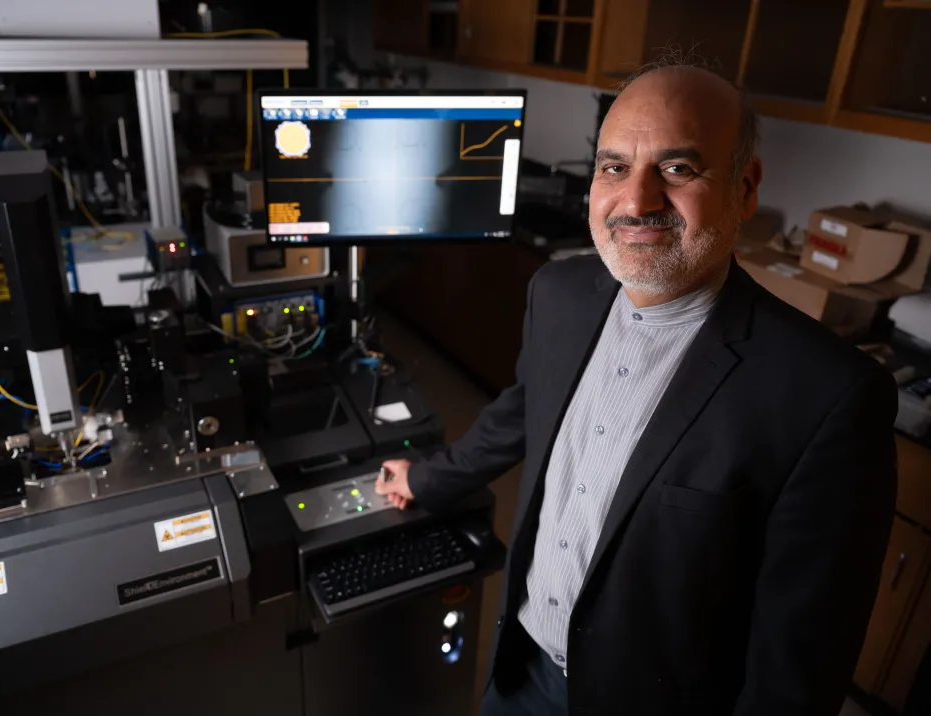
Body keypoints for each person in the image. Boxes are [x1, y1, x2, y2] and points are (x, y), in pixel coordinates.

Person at [375, 58, 898, 716]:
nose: (637, 201)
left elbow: (797, 665)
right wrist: (426, 480)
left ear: (744, 187)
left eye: (678, 169)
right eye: (614, 167)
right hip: (519, 671)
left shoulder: (829, 397)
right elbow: (522, 411)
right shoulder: (558, 293)